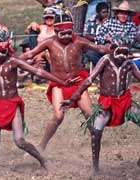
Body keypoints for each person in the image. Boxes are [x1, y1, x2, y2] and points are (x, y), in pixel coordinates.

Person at [0, 29, 75, 171]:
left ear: (8, 47)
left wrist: (62, 82)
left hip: (12, 103)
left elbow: (38, 72)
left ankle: (42, 161)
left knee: (20, 140)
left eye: (3, 51)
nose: (0, 55)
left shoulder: (13, 61)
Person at [19, 10, 109, 153]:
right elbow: (31, 53)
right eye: (63, 34)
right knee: (58, 115)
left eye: (69, 33)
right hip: (59, 83)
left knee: (89, 112)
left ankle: (95, 141)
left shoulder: (79, 41)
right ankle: (42, 146)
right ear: (56, 30)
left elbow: (98, 48)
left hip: (78, 82)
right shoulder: (49, 42)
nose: (67, 36)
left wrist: (114, 49)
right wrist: (14, 60)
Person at [60, 36, 140, 176]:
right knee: (96, 132)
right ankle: (95, 167)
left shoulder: (129, 64)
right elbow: (88, 81)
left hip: (125, 102)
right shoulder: (105, 60)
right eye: (119, 52)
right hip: (107, 103)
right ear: (112, 49)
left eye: (125, 52)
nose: (122, 56)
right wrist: (72, 99)